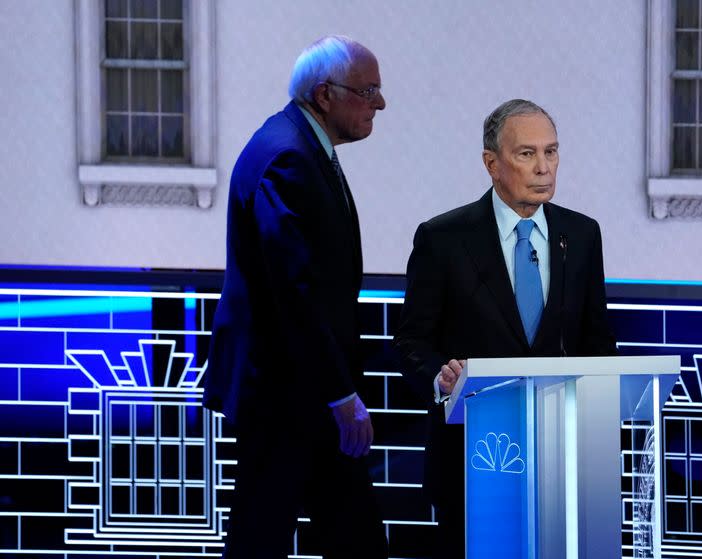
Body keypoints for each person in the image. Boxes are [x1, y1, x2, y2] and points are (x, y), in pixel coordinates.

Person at [393, 99, 617, 558]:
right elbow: (412, 341)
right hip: (472, 462)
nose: (544, 168)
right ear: (491, 163)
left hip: (560, 462)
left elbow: (597, 340)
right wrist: (442, 379)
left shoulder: (582, 235)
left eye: (551, 152)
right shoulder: (443, 238)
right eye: (527, 154)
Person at [202, 35, 388, 558]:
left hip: (298, 393)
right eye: (368, 90)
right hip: (289, 396)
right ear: (325, 94)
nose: (380, 104)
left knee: (340, 535)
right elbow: (295, 290)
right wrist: (340, 394)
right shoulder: (288, 156)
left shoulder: (297, 146)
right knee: (273, 537)